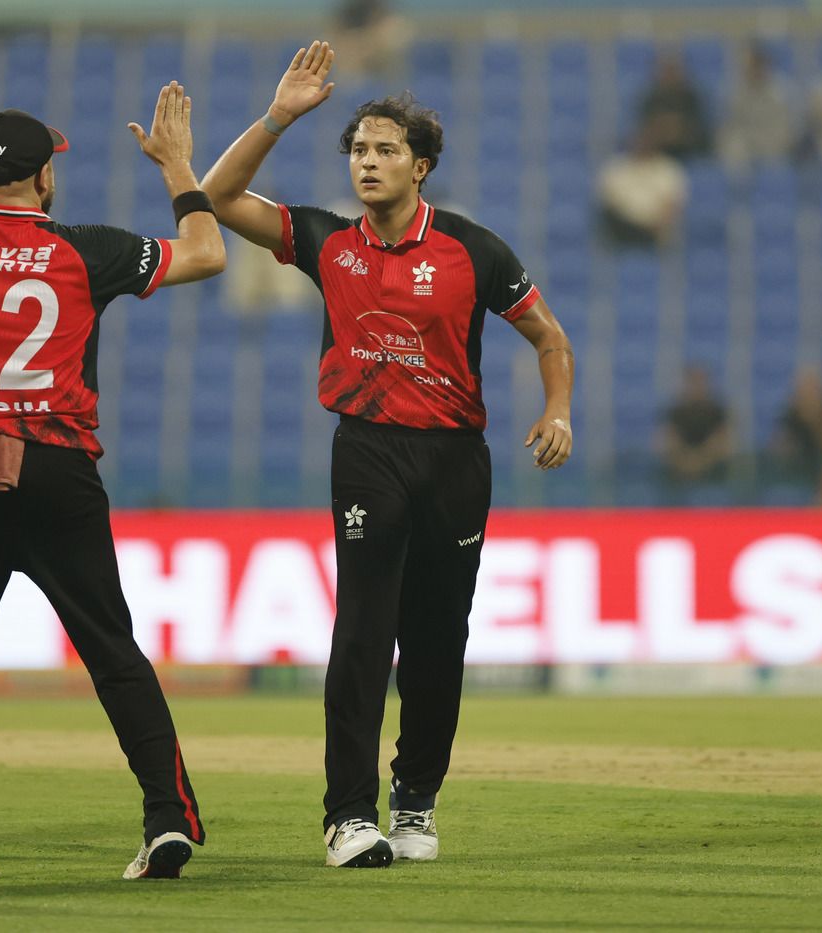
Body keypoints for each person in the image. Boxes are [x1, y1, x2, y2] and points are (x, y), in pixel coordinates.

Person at [201, 42, 574, 868]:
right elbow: (218, 195)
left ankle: (416, 799)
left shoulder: (474, 251)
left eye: (385, 151)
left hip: (455, 463)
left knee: (439, 639)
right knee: (364, 629)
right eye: (359, 150)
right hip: (367, 451)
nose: (367, 163)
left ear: (422, 166)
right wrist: (278, 117)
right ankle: (348, 814)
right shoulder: (328, 242)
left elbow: (549, 338)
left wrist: (558, 409)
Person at [0, 87, 224, 881]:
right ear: (44, 178)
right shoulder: (82, 247)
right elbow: (206, 252)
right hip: (56, 464)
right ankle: (168, 815)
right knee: (111, 649)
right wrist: (178, 167)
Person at [766, 367, 822, 505]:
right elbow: (779, 447)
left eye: (813, 389)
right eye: (806, 389)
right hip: (797, 467)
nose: (810, 394)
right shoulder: (790, 414)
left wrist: (818, 421)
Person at [597, 126, 688, 250]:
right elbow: (608, 202)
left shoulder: (667, 169)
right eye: (639, 141)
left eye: (647, 142)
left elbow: (673, 204)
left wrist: (659, 225)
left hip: (654, 229)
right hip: (621, 228)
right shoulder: (616, 168)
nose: (643, 145)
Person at [658, 366, 732, 499]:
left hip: (713, 470)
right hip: (678, 471)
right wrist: (686, 463)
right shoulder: (675, 412)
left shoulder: (717, 411)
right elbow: (666, 442)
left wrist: (699, 463)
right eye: (693, 381)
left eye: (700, 381)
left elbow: (722, 442)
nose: (696, 386)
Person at [718, 43, 795, 168]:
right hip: (747, 144)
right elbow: (729, 125)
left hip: (773, 143)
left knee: (776, 155)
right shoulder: (735, 92)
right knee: (733, 146)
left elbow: (787, 131)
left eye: (752, 66)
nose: (748, 71)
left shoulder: (781, 92)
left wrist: (765, 141)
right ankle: (737, 187)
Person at [636, 51, 713, 161]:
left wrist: (678, 129)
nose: (670, 75)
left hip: (689, 150)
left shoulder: (691, 98)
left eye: (673, 70)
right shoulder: (650, 99)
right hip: (657, 153)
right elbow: (644, 127)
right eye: (666, 71)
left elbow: (700, 126)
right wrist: (663, 129)